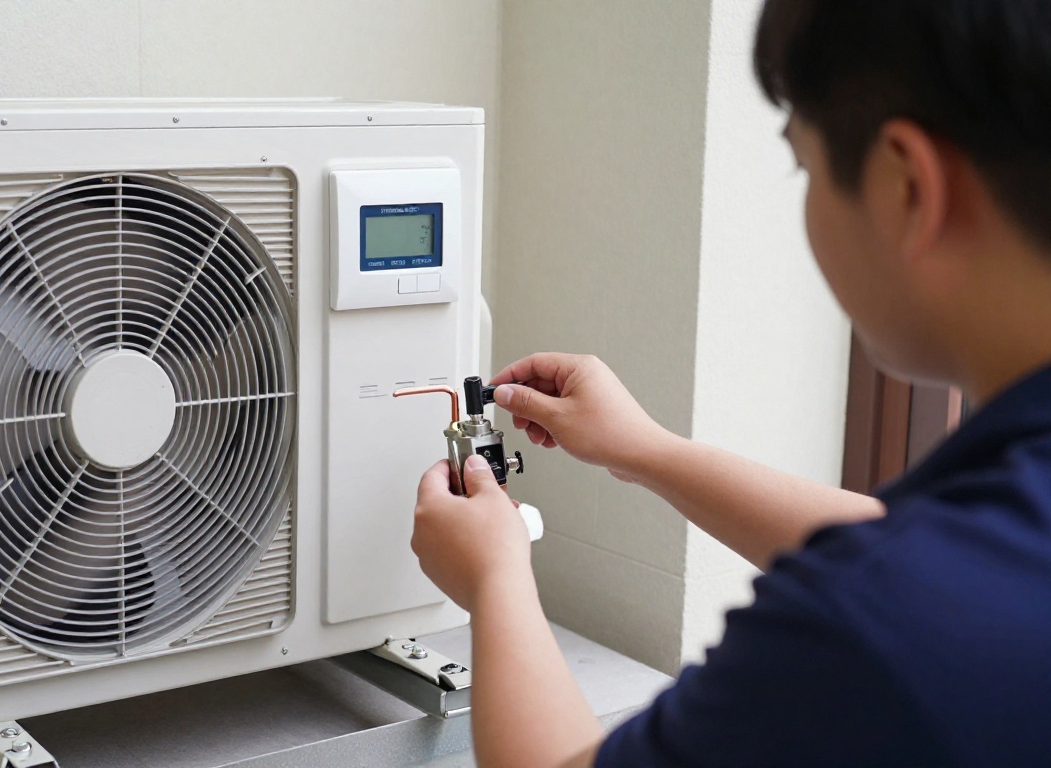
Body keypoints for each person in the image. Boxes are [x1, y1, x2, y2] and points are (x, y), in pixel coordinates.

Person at [410, 0, 1051, 765]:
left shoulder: (862, 632)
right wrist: (644, 450)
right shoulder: (991, 549)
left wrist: (495, 579)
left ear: (904, 185)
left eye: (803, 168)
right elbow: (924, 555)